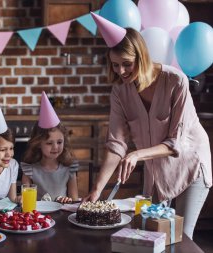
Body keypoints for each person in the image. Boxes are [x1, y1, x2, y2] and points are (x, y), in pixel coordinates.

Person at [84, 13, 212, 239]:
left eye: (126, 64)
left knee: (182, 237)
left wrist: (136, 154)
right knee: (153, 235)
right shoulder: (119, 91)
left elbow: (175, 144)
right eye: (115, 65)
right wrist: (96, 190)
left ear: (141, 57)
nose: (121, 71)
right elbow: (116, 145)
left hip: (190, 165)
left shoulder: (176, 81)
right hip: (157, 171)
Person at [21, 91, 78, 204]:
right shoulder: (29, 170)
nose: (55, 147)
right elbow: (25, 202)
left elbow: (74, 200)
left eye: (59, 142)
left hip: (61, 217)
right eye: (49, 143)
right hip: (39, 218)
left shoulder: (69, 169)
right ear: (38, 144)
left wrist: (67, 200)